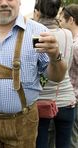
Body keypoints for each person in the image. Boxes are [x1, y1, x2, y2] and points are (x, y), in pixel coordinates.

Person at [0, 0, 67, 147]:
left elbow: (56, 77)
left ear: (19, 1)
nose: (3, 3)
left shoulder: (37, 32)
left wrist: (55, 57)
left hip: (22, 125)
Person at [35, 0, 76, 148]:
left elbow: (36, 69)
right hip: (66, 98)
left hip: (41, 101)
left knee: (41, 144)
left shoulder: (36, 35)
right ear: (58, 10)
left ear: (38, 10)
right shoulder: (67, 34)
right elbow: (67, 65)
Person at [59, 4, 78, 148]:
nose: (59, 21)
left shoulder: (76, 45)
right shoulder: (71, 41)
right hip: (70, 100)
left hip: (74, 100)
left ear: (71, 20)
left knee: (72, 141)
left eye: (61, 18)